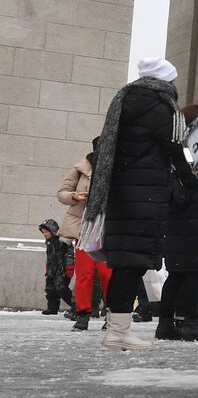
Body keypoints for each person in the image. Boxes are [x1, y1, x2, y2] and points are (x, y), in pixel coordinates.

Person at [79, 57, 190, 352]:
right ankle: (117, 334)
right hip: (145, 194)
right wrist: (194, 181)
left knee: (125, 264)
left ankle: (118, 331)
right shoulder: (159, 106)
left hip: (121, 193)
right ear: (165, 81)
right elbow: (175, 148)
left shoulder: (125, 99)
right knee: (132, 265)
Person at [156, 105, 198, 342]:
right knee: (196, 272)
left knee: (176, 273)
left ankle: (165, 323)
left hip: (177, 219)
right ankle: (193, 323)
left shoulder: (174, 147)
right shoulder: (195, 147)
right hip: (197, 217)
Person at [58, 139, 109, 331]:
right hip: (84, 228)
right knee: (84, 274)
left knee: (107, 274)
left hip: (106, 228)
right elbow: (62, 192)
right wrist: (74, 196)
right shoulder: (82, 167)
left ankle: (112, 313)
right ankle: (82, 314)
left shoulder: (117, 167)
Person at [38, 220, 73, 315]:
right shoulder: (49, 242)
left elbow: (69, 255)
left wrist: (69, 268)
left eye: (46, 232)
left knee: (62, 289)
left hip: (62, 268)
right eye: (43, 232)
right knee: (50, 288)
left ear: (52, 231)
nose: (44, 234)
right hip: (52, 269)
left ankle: (76, 307)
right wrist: (47, 268)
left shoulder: (62, 240)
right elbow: (49, 257)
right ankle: (52, 308)